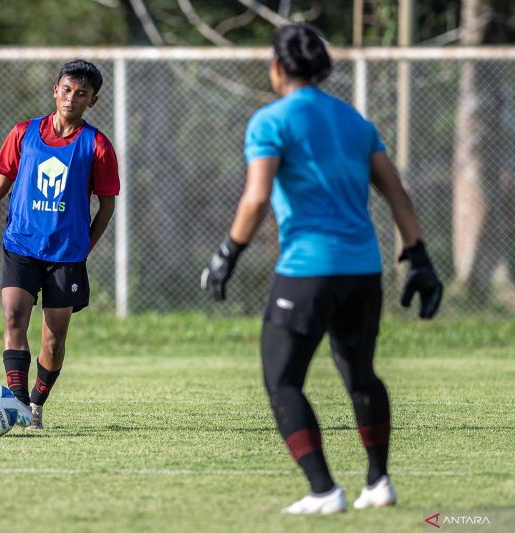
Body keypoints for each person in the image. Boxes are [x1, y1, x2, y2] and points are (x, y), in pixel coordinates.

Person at [201, 24, 443, 514]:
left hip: (308, 269)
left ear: (276, 67)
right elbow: (395, 192)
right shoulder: (356, 122)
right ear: (325, 69)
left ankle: (323, 490)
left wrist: (227, 253)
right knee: (360, 374)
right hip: (363, 270)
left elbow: (257, 197)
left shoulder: (270, 121)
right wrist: (418, 256)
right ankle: (378, 483)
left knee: (282, 378)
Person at [0, 59, 120, 430]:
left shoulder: (97, 146)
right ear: (55, 90)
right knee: (14, 317)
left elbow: (107, 204)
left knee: (53, 341)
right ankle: (17, 405)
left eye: (82, 94)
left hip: (66, 255)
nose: (71, 98)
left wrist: (85, 247)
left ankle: (37, 401)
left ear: (92, 101)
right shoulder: (23, 134)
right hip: (21, 245)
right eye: (66, 90)